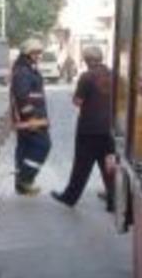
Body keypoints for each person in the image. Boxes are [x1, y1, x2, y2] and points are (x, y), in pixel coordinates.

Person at [52, 46, 116, 211]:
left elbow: (78, 101)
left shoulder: (87, 77)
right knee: (108, 164)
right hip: (110, 128)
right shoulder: (113, 74)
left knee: (81, 165)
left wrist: (74, 97)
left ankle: (69, 197)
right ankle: (114, 200)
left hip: (89, 128)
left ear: (86, 60)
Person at [10, 38, 51, 196]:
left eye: (39, 53)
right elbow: (22, 97)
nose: (38, 55)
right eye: (35, 53)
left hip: (28, 119)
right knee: (43, 146)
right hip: (31, 120)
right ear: (27, 53)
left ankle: (21, 187)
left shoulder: (26, 69)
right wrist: (32, 117)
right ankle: (25, 179)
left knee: (25, 149)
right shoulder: (24, 72)